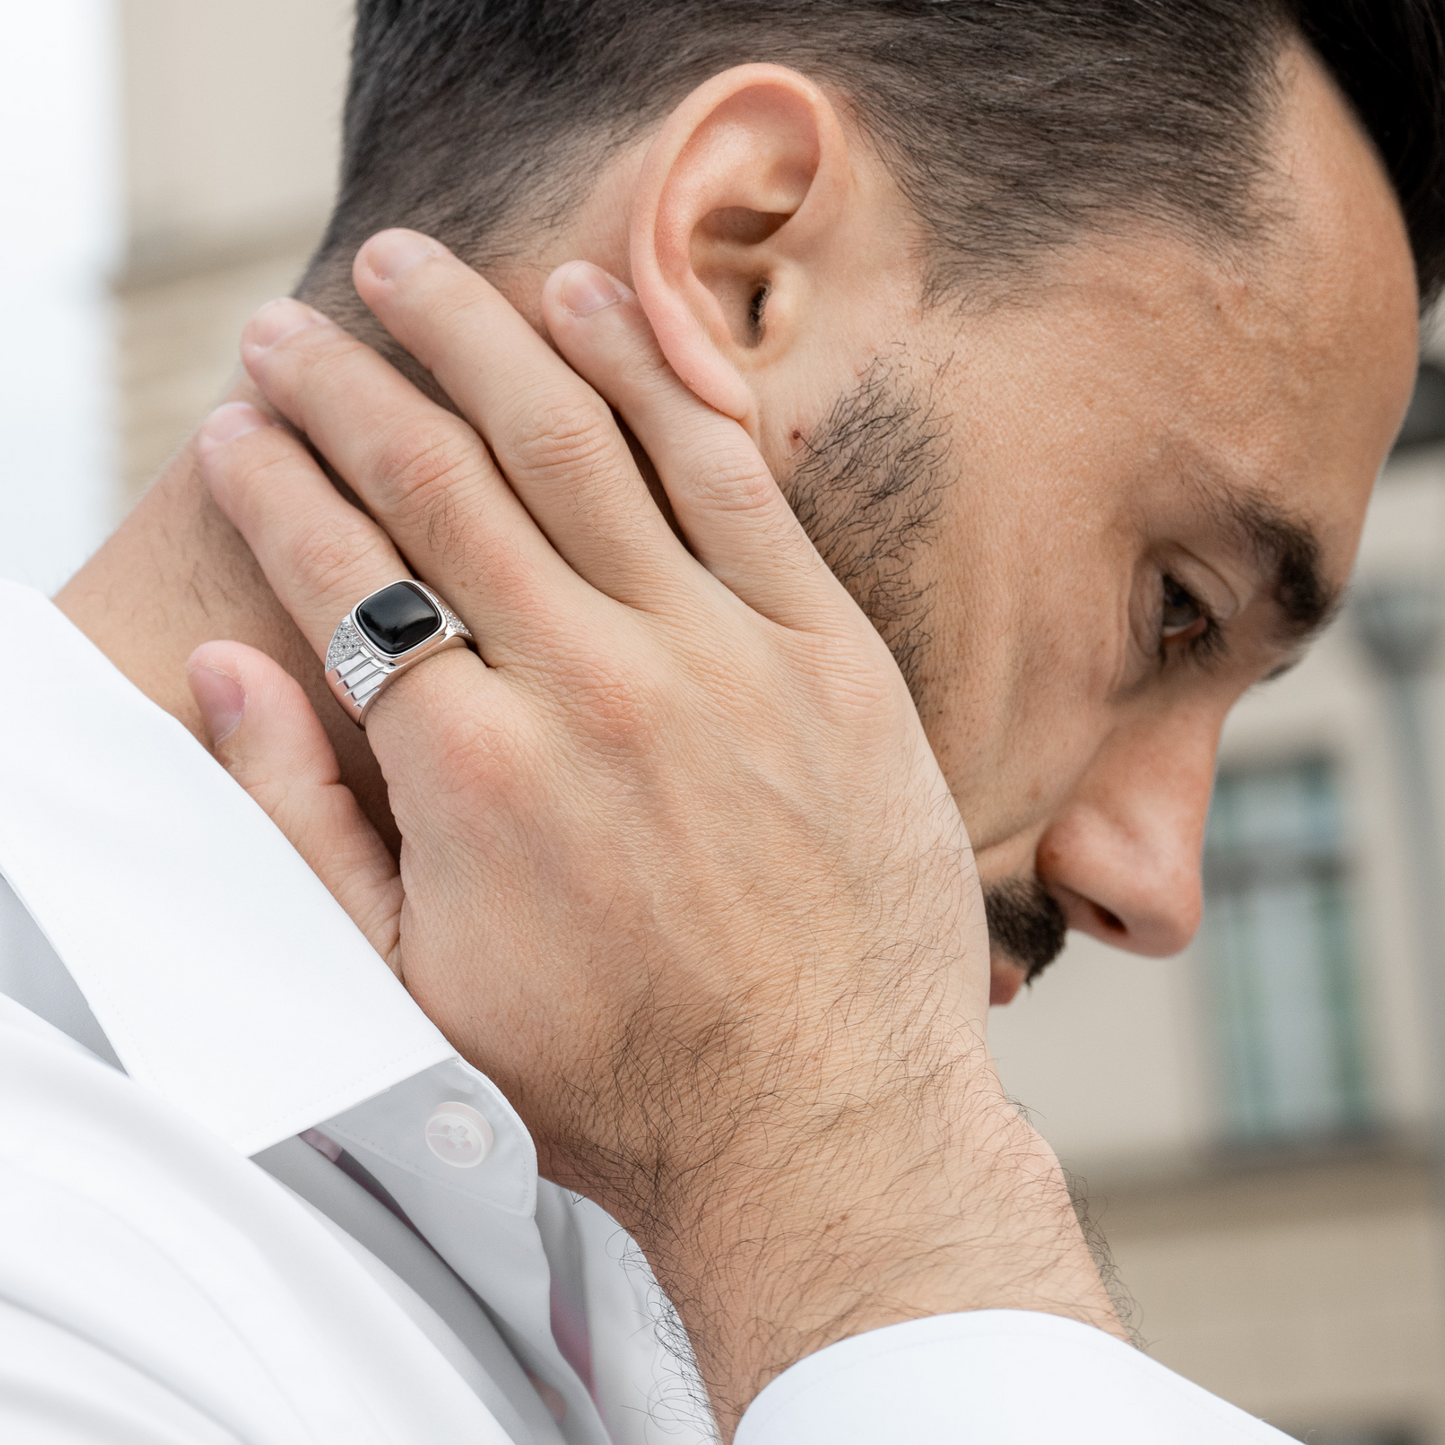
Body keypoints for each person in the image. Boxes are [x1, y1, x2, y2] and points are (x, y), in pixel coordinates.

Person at [0, 1, 1437, 1439]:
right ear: (742, 260)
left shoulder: (675, 1243)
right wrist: (875, 1212)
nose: (1155, 882)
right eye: (1176, 607)